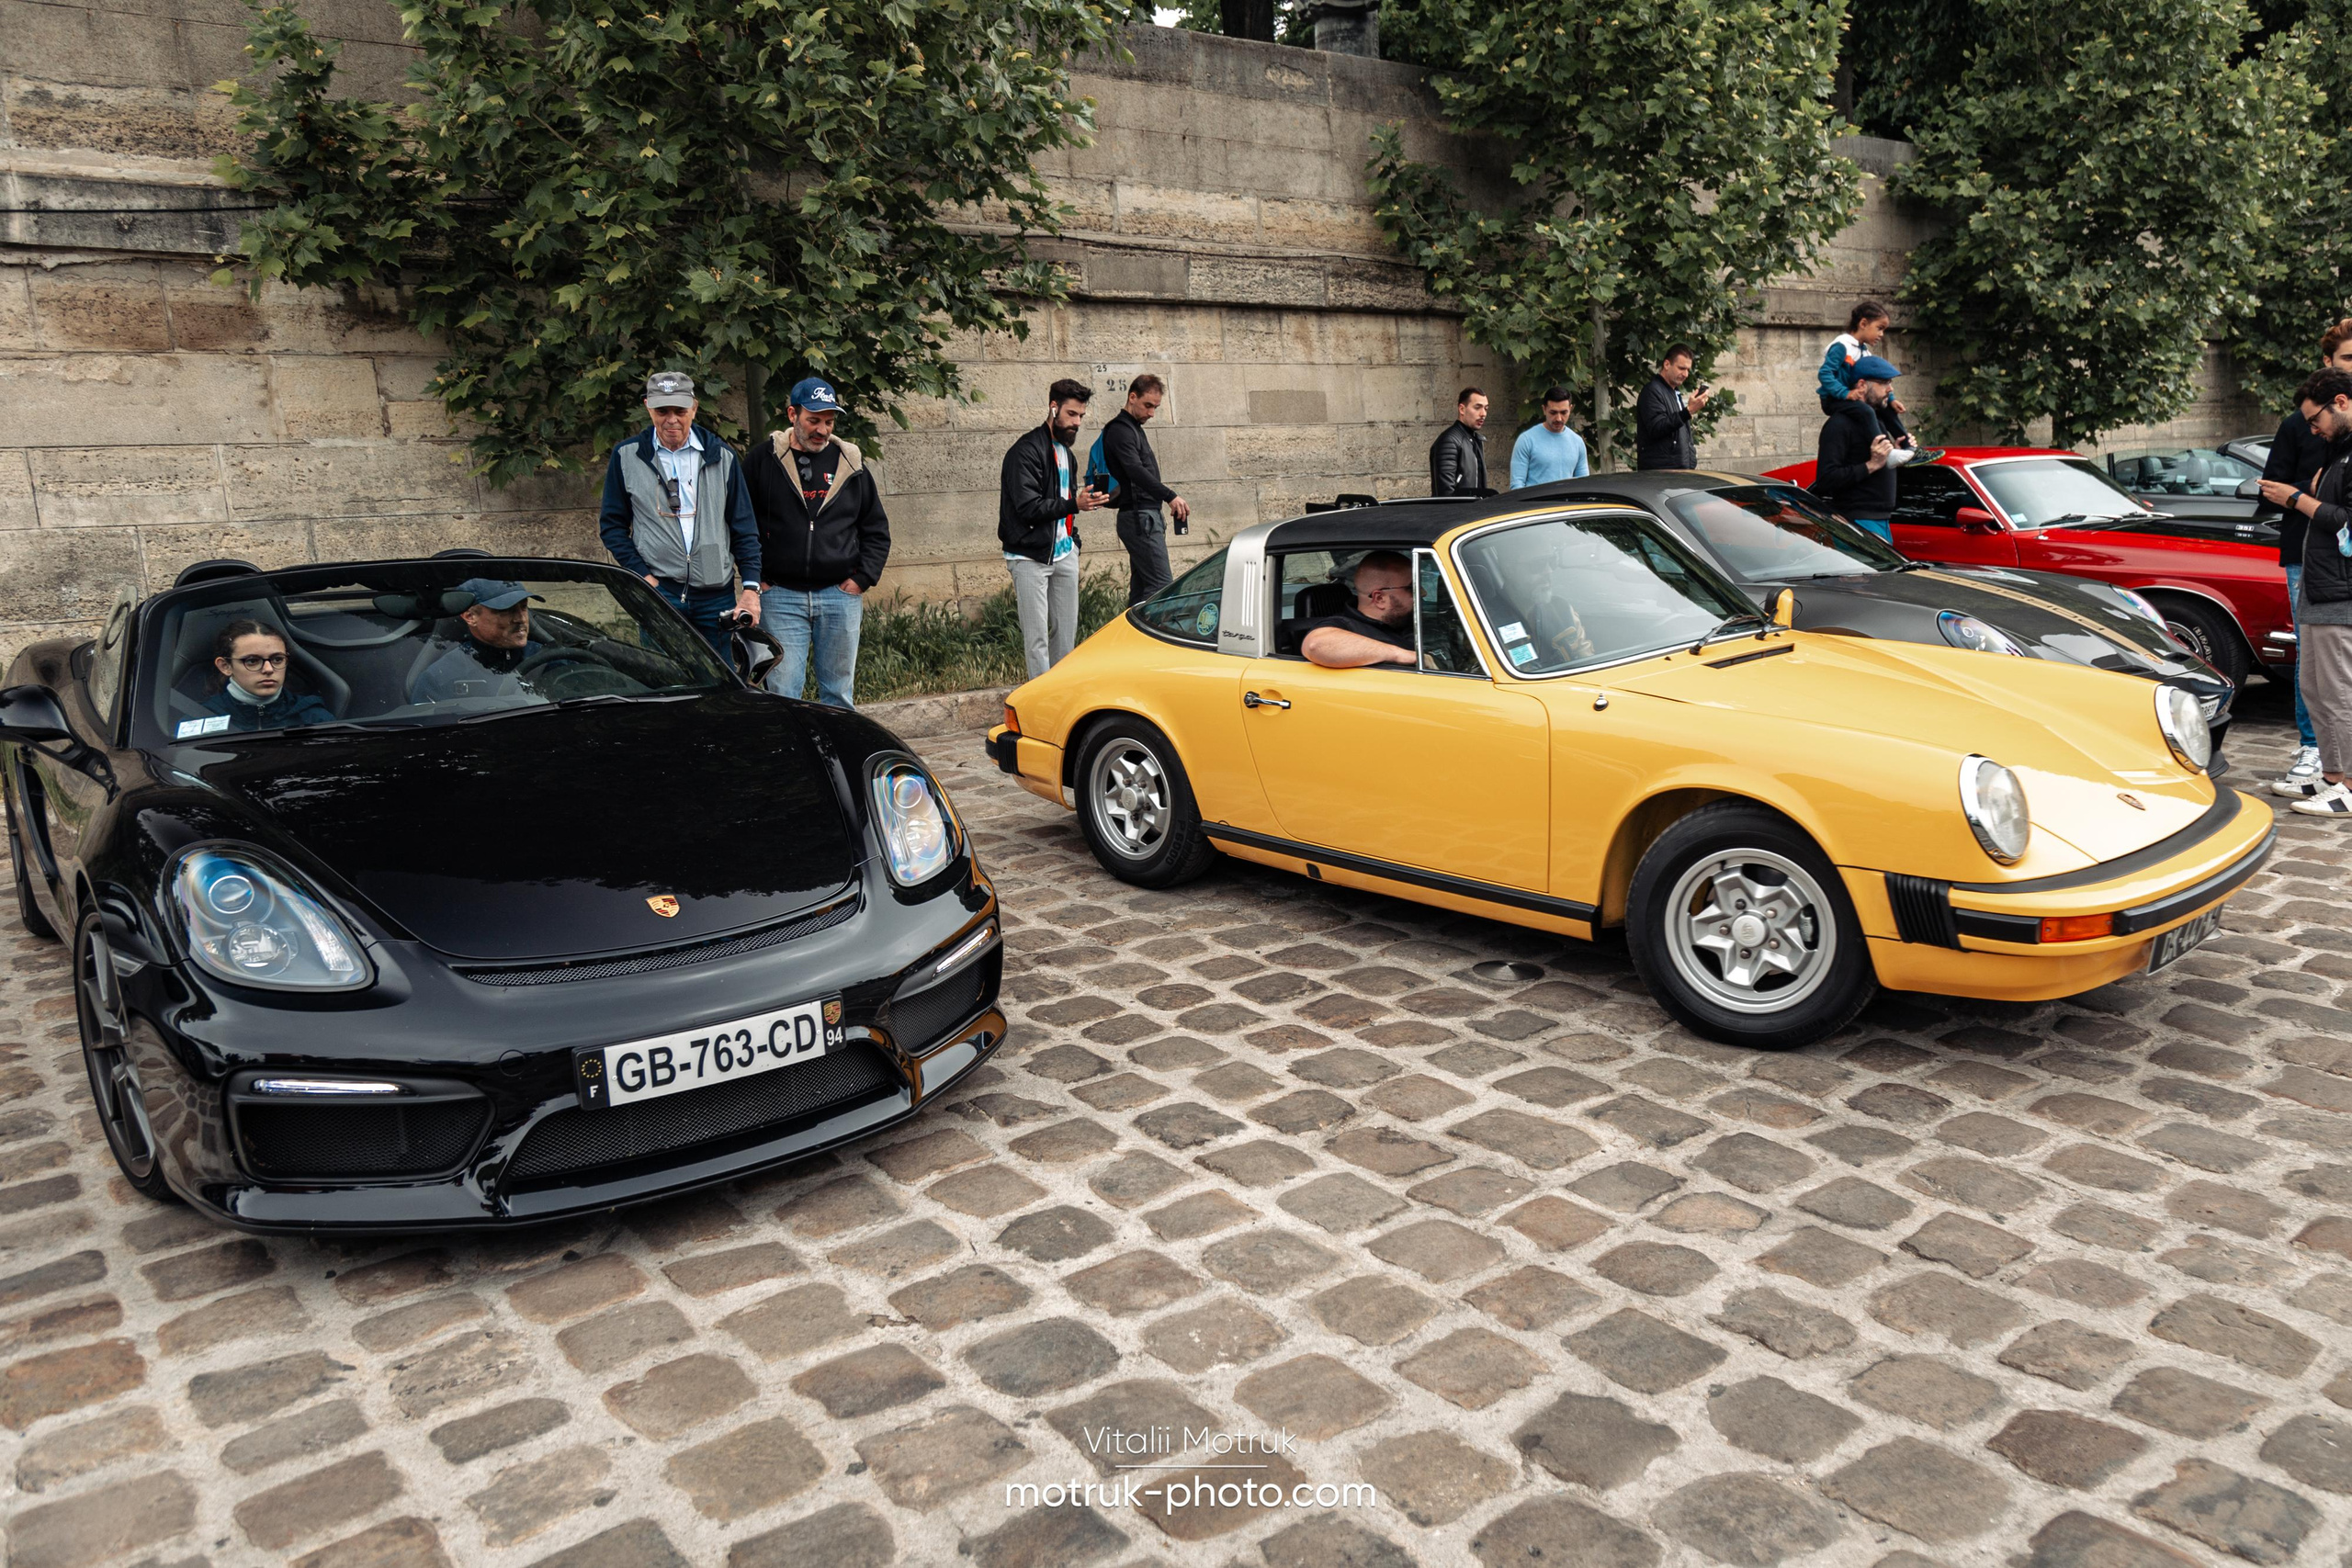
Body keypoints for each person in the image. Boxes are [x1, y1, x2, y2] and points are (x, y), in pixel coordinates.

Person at [744, 377, 890, 707]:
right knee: (783, 694)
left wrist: (861, 579)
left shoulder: (850, 463)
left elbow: (876, 528)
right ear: (792, 414)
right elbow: (742, 525)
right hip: (780, 597)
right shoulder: (762, 461)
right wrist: (758, 581)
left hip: (839, 597)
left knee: (838, 694)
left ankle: (837, 758)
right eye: (813, 420)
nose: (822, 430)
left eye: (829, 421)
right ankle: (791, 757)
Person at [596, 370, 763, 657]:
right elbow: (612, 526)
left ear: (694, 408)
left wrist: (750, 588)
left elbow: (744, 527)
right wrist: (643, 576)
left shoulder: (721, 456)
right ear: (648, 407)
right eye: (662, 410)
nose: (671, 419)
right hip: (660, 591)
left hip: (715, 591)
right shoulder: (627, 456)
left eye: (680, 410)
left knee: (722, 683)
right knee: (666, 679)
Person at [2259, 318, 2352, 792]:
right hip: (2313, 568)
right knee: (2315, 674)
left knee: (2337, 679)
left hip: (2340, 576)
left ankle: (2342, 779)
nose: (2313, 430)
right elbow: (2277, 493)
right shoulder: (2319, 436)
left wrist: (2302, 498)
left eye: (2318, 421)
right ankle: (2322, 763)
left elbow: (2344, 517)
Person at [1000, 378, 1109, 678]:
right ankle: (1039, 705)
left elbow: (1065, 505)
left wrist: (1073, 542)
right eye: (1072, 414)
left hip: (1063, 553)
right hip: (1029, 556)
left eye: (1081, 417)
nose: (1077, 422)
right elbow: (1028, 507)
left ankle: (1061, 700)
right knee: (1036, 641)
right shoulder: (1025, 451)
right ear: (1053, 407)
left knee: (1066, 639)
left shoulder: (1067, 455)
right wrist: (1076, 503)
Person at [1092, 374, 1191, 606]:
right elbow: (1134, 470)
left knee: (1142, 592)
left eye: (1155, 407)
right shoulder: (1120, 430)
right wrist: (1170, 496)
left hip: (1144, 516)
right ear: (1132, 397)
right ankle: (1161, 642)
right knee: (1163, 588)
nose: (1151, 413)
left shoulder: (1133, 428)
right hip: (1139, 517)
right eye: (1148, 405)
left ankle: (1128, 640)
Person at [1812, 355, 1917, 541]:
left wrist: (1896, 452)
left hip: (1880, 520)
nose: (1890, 389)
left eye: (1890, 382)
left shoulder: (1876, 420)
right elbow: (1826, 479)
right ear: (1861, 385)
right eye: (1884, 383)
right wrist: (1871, 465)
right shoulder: (1839, 424)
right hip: (1857, 523)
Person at [411, 580, 548, 704]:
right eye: (507, 610)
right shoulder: (440, 679)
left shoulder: (548, 659)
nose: (521, 619)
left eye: (523, 607)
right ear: (470, 616)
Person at [197, 621, 334, 733]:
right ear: (225, 666)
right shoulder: (199, 720)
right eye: (252, 661)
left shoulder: (313, 716)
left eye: (277, 659)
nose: (268, 669)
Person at [1300, 551, 1419, 668]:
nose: (1422, 593)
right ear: (1380, 599)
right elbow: (1315, 645)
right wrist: (1401, 655)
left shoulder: (1401, 618)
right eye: (1411, 588)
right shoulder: (1346, 627)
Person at [1817, 300, 1908, 420]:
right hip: (1833, 399)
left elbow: (1879, 380)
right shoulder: (1842, 346)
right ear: (1863, 324)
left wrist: (1891, 399)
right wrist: (1845, 393)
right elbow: (1824, 374)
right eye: (1879, 328)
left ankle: (1904, 438)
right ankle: (1878, 439)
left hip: (1852, 396)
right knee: (1866, 411)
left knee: (1887, 409)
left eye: (1884, 330)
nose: (1881, 334)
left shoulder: (1865, 352)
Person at [1636, 345, 1713, 470]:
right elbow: (1657, 428)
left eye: (1688, 370)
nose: (1686, 374)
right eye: (1681, 368)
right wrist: (1688, 411)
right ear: (1667, 364)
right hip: (1661, 475)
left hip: (1678, 472)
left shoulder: (1673, 392)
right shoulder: (1652, 391)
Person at [1510, 387, 1591, 488]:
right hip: (1536, 503)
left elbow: (1584, 484)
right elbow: (1517, 485)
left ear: (1571, 409)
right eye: (1553, 413)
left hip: (1568, 503)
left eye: (1564, 412)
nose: (1558, 418)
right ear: (1544, 409)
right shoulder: (1526, 440)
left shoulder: (1577, 442)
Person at [1430, 388, 1490, 496]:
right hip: (1459, 511)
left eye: (1486, 409)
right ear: (1462, 409)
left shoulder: (1474, 440)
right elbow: (1445, 493)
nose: (1483, 414)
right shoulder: (1449, 441)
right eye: (1477, 408)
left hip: (1475, 510)